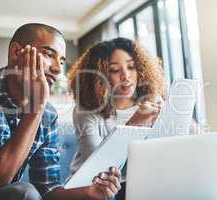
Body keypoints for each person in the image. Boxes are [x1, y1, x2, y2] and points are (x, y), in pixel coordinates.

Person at [0, 23, 121, 200]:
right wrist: (35, 107)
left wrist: (89, 192)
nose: (58, 69)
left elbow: (48, 190)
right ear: (17, 52)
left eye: (61, 61)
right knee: (24, 193)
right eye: (48, 54)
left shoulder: (48, 114)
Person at [68, 37, 167, 175]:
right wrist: (134, 124)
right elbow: (99, 168)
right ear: (99, 77)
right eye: (114, 70)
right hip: (91, 185)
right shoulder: (86, 111)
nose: (126, 76)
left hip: (140, 178)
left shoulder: (152, 100)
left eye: (131, 67)